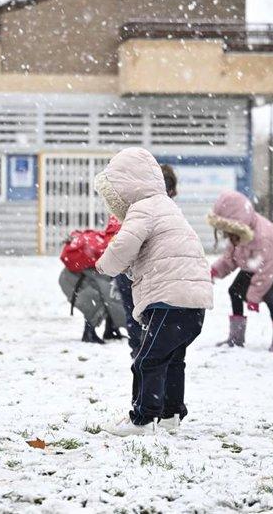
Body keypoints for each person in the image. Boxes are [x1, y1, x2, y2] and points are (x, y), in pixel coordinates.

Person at [94, 147, 213, 436]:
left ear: (126, 188)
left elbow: (124, 245)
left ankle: (143, 418)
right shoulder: (168, 207)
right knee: (173, 360)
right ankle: (171, 414)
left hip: (169, 301)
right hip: (193, 301)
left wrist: (103, 265)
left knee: (147, 360)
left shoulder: (143, 208)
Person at [208, 191, 273, 352]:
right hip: (256, 264)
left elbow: (267, 270)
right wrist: (215, 271)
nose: (226, 234)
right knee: (234, 291)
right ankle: (236, 337)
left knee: (271, 298)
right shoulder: (240, 232)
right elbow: (231, 258)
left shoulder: (262, 237)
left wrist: (253, 297)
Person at [114, 164, 179, 357]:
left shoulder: (134, 205)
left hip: (131, 269)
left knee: (135, 314)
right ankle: (147, 352)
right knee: (154, 317)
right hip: (151, 271)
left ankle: (139, 350)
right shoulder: (168, 212)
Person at [59, 216, 126, 344]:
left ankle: (110, 330)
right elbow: (110, 297)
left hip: (79, 277)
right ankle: (89, 334)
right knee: (97, 300)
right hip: (72, 280)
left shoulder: (110, 246)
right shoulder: (108, 253)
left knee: (107, 296)